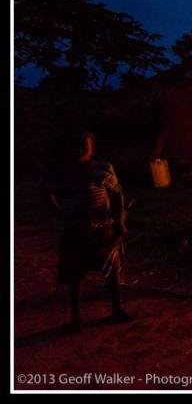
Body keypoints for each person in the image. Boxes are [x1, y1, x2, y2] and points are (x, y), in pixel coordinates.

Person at [49, 131, 131, 333]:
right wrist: (59, 212)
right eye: (75, 146)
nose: (78, 150)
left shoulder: (101, 169)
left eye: (83, 146)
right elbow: (48, 192)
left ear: (91, 150)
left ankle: (117, 308)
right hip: (75, 230)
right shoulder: (64, 173)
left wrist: (119, 222)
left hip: (101, 229)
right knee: (74, 273)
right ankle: (76, 316)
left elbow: (117, 195)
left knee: (111, 267)